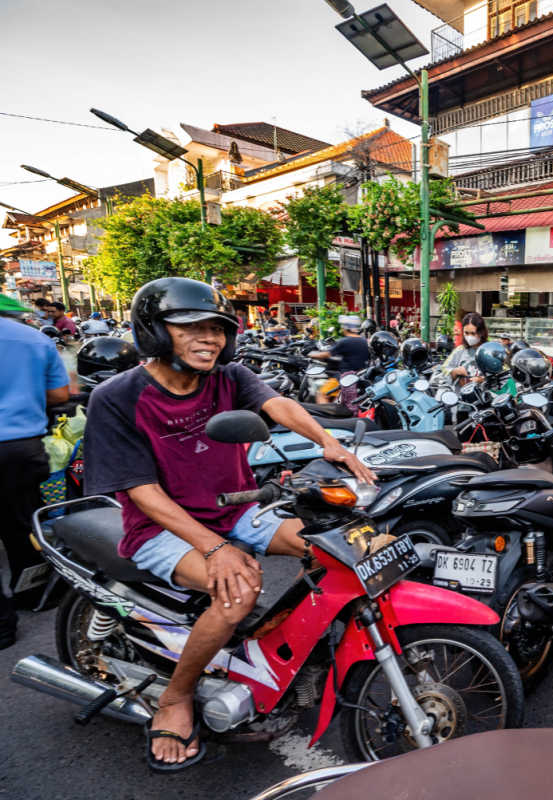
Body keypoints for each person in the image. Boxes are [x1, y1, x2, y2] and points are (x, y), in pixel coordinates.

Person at [84, 278, 375, 770]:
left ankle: (271, 647)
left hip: (236, 508)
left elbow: (277, 405)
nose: (209, 338)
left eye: (217, 328)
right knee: (239, 588)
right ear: (155, 332)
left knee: (335, 547)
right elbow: (141, 493)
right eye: (190, 327)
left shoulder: (229, 376)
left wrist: (329, 441)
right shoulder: (118, 397)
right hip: (162, 529)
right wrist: (215, 549)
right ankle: (176, 697)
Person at [0, 294, 70, 650]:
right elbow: (60, 393)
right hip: (23, 448)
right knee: (24, 527)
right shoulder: (34, 338)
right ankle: (33, 594)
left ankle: (0, 625)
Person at [442, 312, 488, 387]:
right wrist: (454, 372)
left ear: (481, 332)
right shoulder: (459, 350)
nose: (469, 337)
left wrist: (482, 380)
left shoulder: (489, 351)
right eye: (466, 333)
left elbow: (501, 377)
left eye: (473, 333)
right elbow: (444, 370)